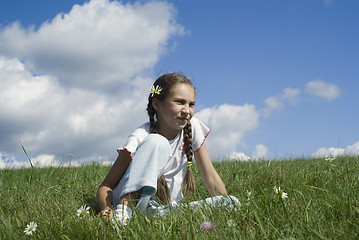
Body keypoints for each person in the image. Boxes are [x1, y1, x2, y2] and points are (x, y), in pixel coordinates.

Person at [97, 73, 240, 224]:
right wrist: (107, 208)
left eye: (191, 104)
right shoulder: (140, 136)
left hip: (162, 209)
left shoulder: (193, 127)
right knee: (157, 142)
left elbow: (211, 178)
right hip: (129, 203)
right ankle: (123, 216)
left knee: (231, 202)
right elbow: (106, 186)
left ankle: (152, 218)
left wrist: (226, 210)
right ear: (157, 104)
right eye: (179, 102)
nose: (187, 110)